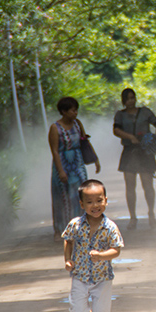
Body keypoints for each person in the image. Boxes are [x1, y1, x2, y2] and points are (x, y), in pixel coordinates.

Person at [62, 179, 124, 312]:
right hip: (79, 275)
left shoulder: (110, 227)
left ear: (105, 200)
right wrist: (68, 260)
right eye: (89, 202)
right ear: (82, 204)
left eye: (99, 200)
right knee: (76, 308)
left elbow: (116, 250)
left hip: (102, 278)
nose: (95, 205)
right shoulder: (76, 224)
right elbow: (68, 239)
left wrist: (101, 256)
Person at [49, 97, 100, 239]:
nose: (75, 113)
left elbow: (84, 142)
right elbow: (54, 150)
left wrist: (94, 159)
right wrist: (60, 171)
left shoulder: (77, 124)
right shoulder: (55, 128)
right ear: (63, 112)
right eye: (72, 110)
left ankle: (82, 226)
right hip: (63, 163)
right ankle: (61, 229)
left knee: (80, 195)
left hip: (78, 164)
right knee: (63, 197)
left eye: (76, 110)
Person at [113, 88, 156, 230]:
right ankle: (133, 217)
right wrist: (131, 137)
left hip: (145, 152)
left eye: (132, 98)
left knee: (148, 185)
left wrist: (155, 136)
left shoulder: (145, 112)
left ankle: (151, 213)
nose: (131, 101)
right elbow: (116, 130)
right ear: (123, 101)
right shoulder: (120, 115)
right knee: (130, 185)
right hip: (129, 151)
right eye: (128, 98)